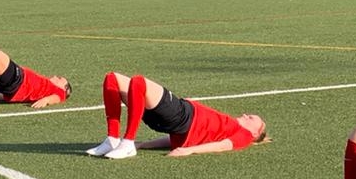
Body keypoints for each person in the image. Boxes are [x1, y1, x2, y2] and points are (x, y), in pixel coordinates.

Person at [87, 72, 267, 159]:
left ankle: (127, 142)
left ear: (255, 133)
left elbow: (223, 146)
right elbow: (171, 139)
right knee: (112, 79)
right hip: (174, 122)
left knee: (138, 82)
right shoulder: (228, 127)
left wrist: (190, 150)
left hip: (183, 115)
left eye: (251, 118)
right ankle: (113, 139)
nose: (246, 115)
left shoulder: (245, 135)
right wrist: (143, 144)